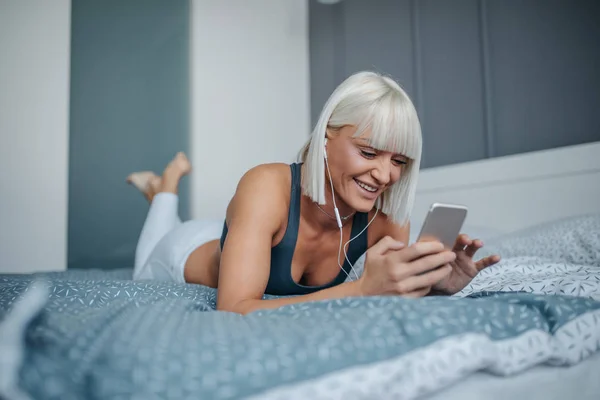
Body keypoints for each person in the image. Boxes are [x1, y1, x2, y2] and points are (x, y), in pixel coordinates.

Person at [126, 71, 501, 314]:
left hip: (244, 231)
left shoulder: (387, 223)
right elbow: (235, 308)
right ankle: (166, 187)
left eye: (398, 160)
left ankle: (160, 189)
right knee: (149, 249)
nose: (385, 174)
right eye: (368, 152)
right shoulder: (265, 186)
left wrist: (433, 288)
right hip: (182, 252)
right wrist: (361, 290)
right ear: (325, 140)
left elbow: (389, 296)